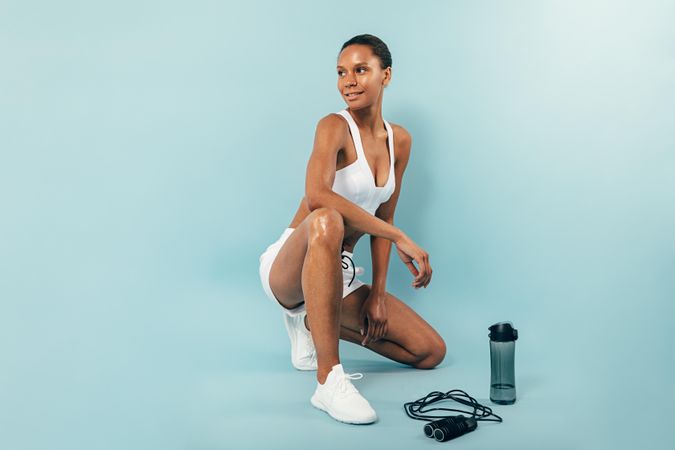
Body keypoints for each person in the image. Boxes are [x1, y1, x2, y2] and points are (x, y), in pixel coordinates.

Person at [258, 34, 446, 425]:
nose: (350, 81)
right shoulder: (333, 126)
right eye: (342, 72)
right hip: (291, 264)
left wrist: (378, 293)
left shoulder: (400, 140)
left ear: (386, 75)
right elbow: (316, 195)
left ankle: (314, 322)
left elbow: (385, 221)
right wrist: (400, 239)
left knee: (430, 351)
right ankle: (329, 382)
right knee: (327, 217)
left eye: (361, 70)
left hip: (335, 272)